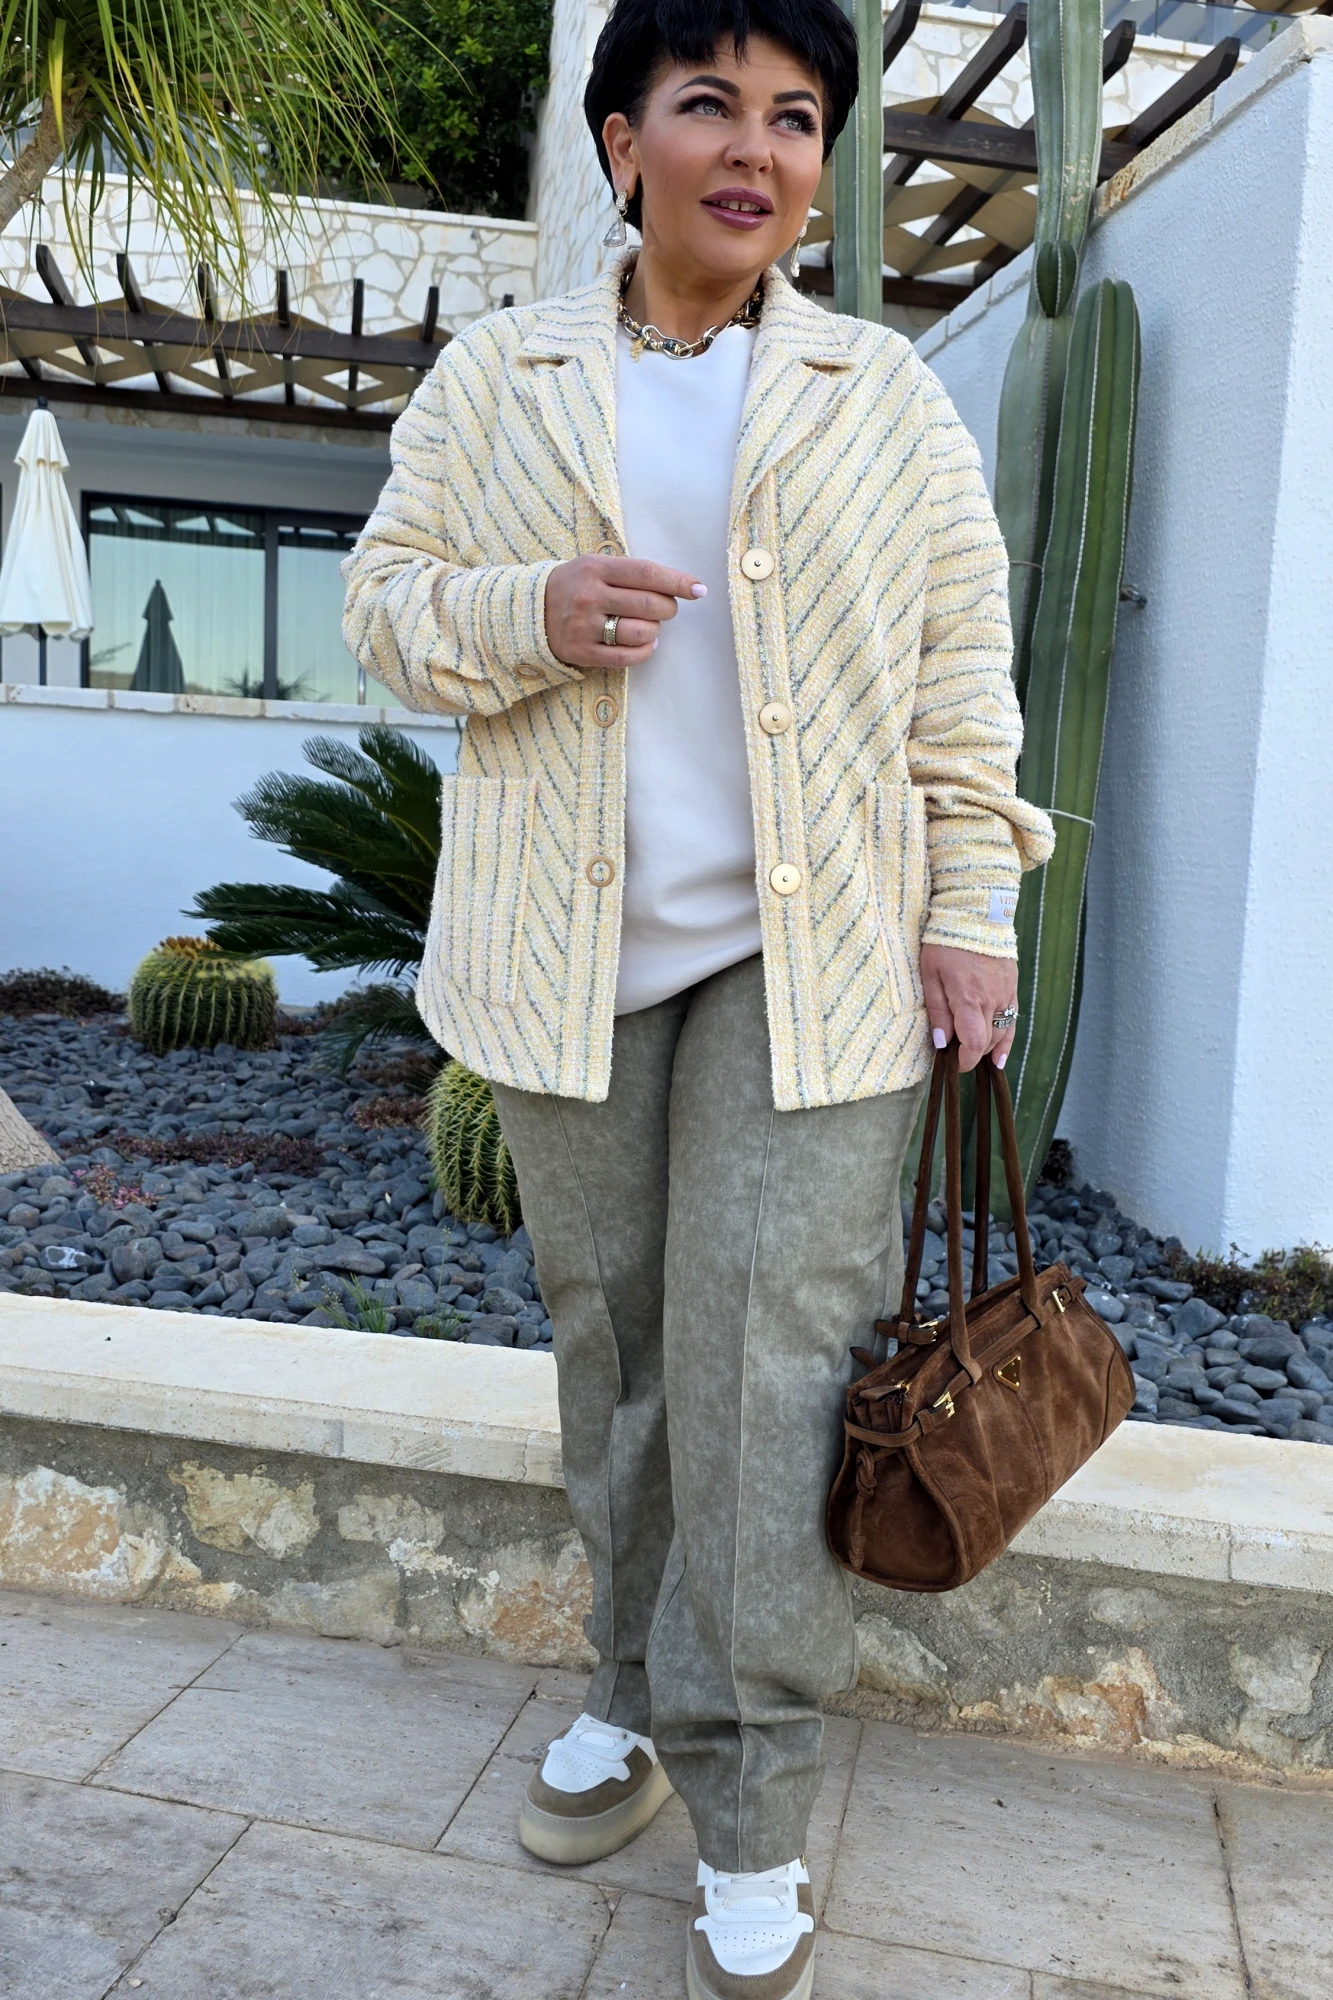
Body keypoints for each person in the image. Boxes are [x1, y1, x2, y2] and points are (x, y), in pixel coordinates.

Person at [343, 2, 1054, 1991]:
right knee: (624, 1353)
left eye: (797, 116)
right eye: (709, 104)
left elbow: (961, 680)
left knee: (767, 1372)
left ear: (821, 166)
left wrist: (977, 911)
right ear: (619, 139)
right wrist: (531, 612)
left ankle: (749, 1798)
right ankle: (629, 1686)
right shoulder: (500, 377)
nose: (756, 147)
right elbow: (383, 607)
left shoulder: (879, 397)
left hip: (809, 971)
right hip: (565, 965)